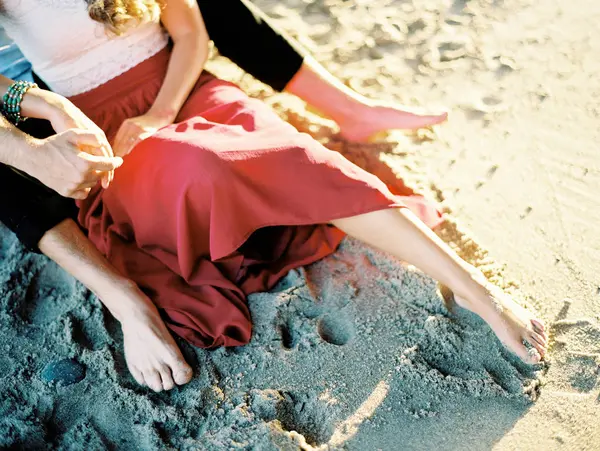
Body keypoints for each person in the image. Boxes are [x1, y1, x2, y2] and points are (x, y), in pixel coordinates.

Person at [0, 0, 546, 393]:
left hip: (182, 89)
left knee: (293, 158)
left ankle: (477, 292)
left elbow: (192, 32)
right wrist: (42, 105)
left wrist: (160, 115)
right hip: (101, 124)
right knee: (198, 164)